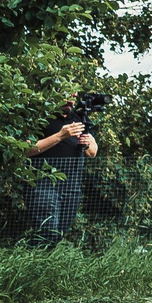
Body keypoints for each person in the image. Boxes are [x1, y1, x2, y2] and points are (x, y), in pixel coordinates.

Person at [29, 97, 97, 247]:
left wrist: (88, 144)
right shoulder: (41, 116)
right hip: (44, 185)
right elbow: (25, 149)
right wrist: (60, 136)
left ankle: (44, 266)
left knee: (59, 234)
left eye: (73, 97)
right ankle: (32, 263)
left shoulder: (79, 118)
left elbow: (93, 153)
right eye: (66, 95)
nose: (70, 101)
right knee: (46, 233)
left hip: (72, 188)